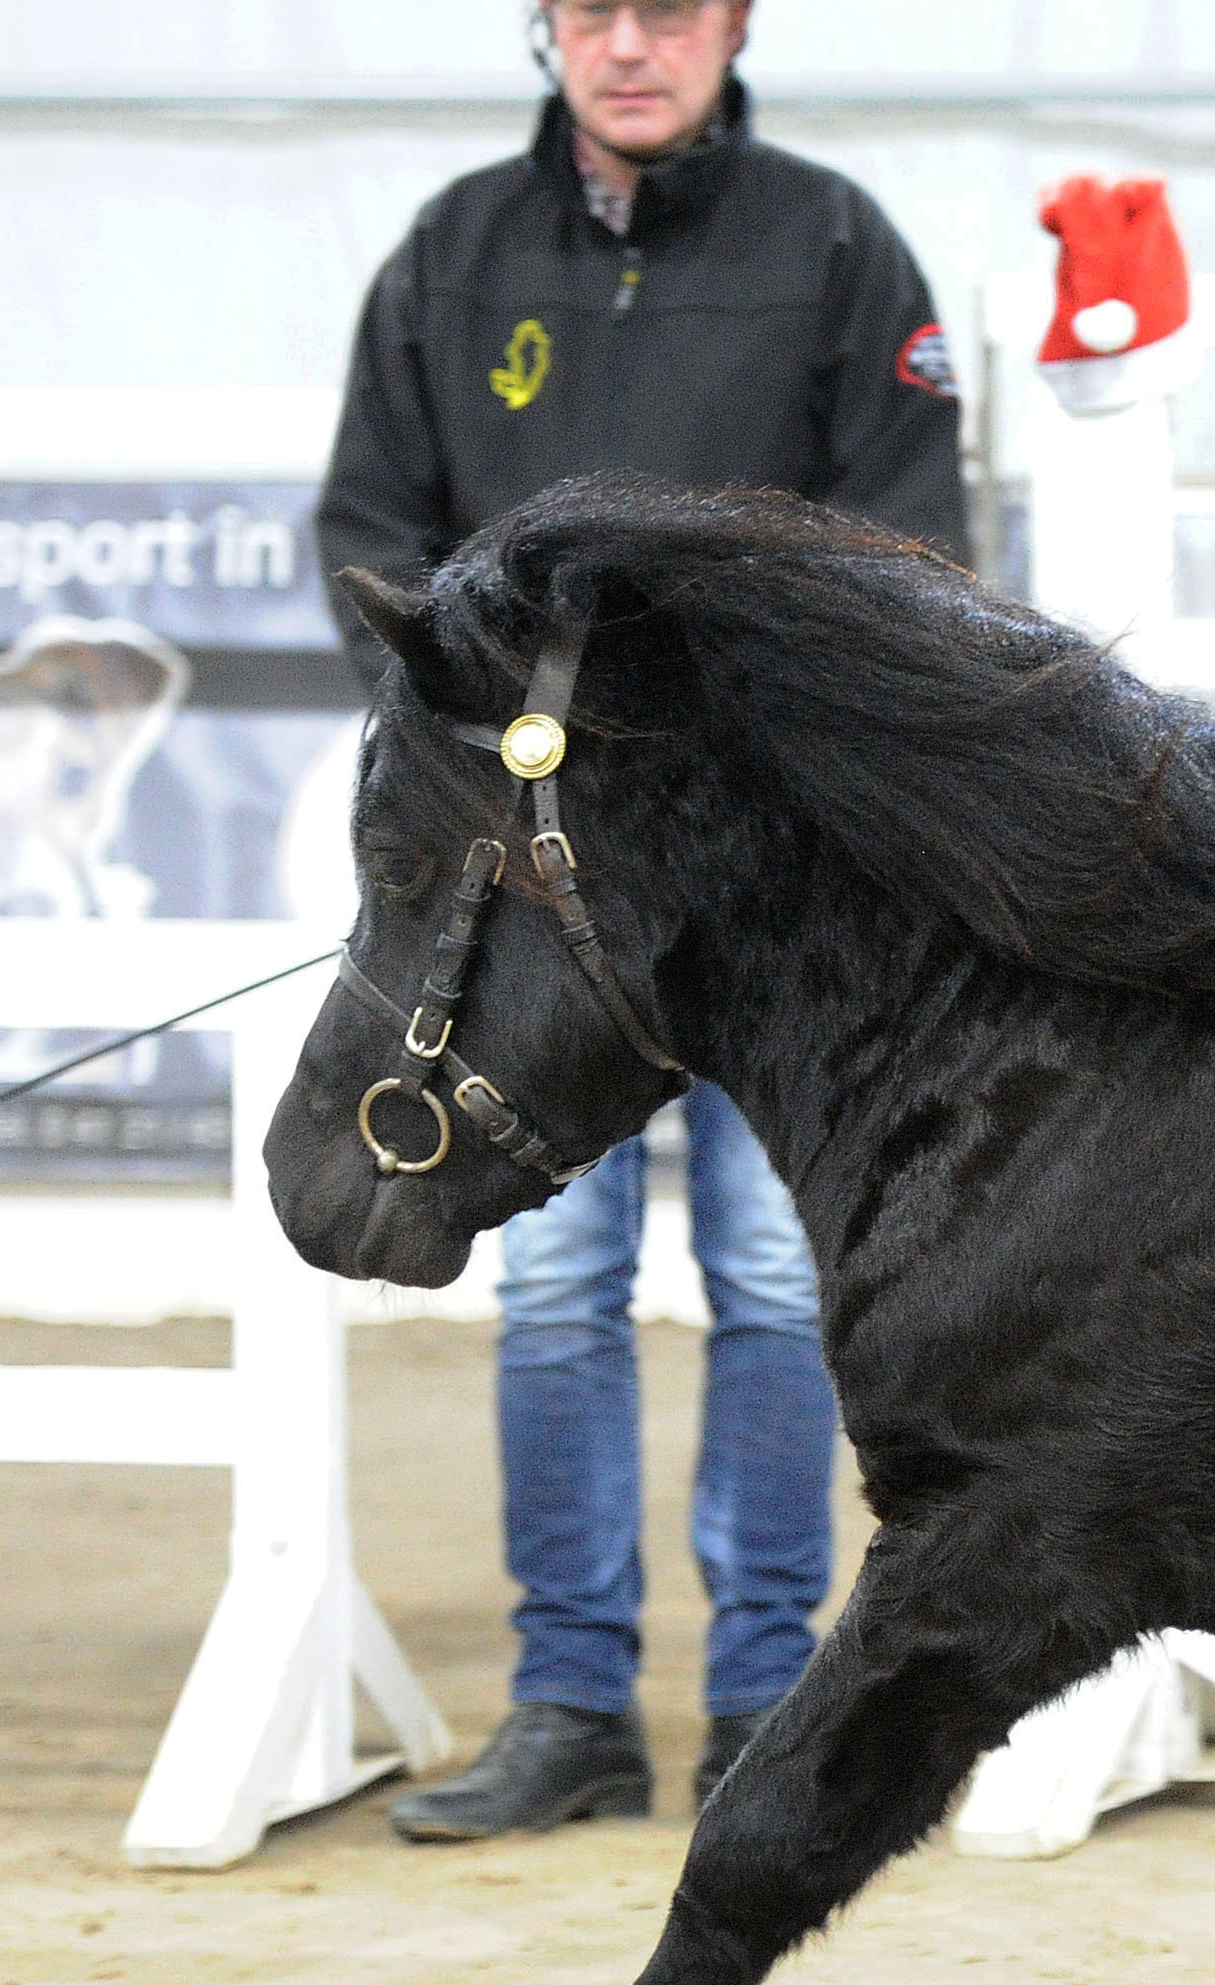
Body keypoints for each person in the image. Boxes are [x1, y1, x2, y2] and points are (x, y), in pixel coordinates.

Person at [316, 0, 970, 1838]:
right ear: (545, 33)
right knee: (555, 1284)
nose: (630, 46)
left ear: (732, 27)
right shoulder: (450, 256)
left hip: (768, 894)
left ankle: (772, 1694)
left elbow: (910, 560)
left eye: (666, 12)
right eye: (591, 12)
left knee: (774, 1282)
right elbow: (370, 535)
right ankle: (572, 1702)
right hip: (526, 907)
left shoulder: (836, 245)